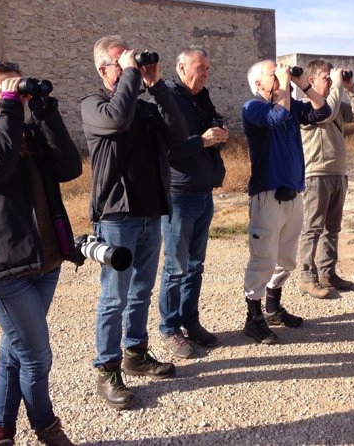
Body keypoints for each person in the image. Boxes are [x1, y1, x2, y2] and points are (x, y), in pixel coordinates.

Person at [0, 59, 81, 446]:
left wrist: (45, 113)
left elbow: (70, 167)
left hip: (47, 259)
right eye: (3, 91)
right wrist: (10, 110)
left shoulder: (28, 128)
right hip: (5, 267)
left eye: (16, 91)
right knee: (37, 357)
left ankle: (0, 432)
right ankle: (47, 427)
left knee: (15, 350)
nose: (13, 99)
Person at [81, 36, 187, 410]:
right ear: (102, 70)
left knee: (142, 290)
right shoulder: (93, 105)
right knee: (114, 296)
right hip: (116, 217)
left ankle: (136, 353)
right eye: (120, 62)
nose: (131, 67)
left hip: (149, 212)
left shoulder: (143, 107)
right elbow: (116, 118)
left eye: (131, 63)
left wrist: (156, 84)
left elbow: (178, 129)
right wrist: (130, 72)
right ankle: (108, 369)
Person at [241, 60, 331, 344]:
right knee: (263, 258)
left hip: (293, 194)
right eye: (273, 74)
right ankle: (253, 319)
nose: (280, 76)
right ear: (259, 85)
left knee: (286, 258)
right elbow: (275, 118)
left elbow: (323, 111)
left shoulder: (290, 106)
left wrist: (303, 84)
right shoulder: (252, 107)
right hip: (267, 195)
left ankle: (272, 308)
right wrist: (284, 88)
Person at [158, 46, 228, 358]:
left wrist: (219, 131)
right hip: (179, 195)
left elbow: (214, 121)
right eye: (201, 68)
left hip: (203, 192)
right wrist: (202, 139)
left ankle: (191, 322)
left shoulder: (202, 96)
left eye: (208, 69)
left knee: (196, 265)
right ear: (183, 68)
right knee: (175, 267)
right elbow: (169, 150)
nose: (206, 73)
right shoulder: (169, 100)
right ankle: (170, 328)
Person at [297, 60, 354, 298]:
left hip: (338, 174)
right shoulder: (305, 107)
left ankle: (328, 272)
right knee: (312, 228)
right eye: (327, 78)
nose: (331, 81)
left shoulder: (336, 104)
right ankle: (307, 277)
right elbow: (324, 114)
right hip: (316, 175)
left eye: (331, 77)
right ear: (311, 81)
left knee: (332, 229)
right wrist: (338, 86)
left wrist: (351, 87)